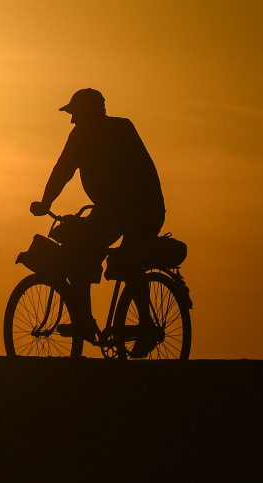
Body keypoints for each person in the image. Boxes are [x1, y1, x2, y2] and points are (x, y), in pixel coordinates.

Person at [30, 88, 166, 358]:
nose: (72, 121)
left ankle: (137, 325)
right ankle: (91, 321)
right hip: (127, 210)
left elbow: (63, 172)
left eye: (75, 114)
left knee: (113, 258)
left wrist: (46, 204)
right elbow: (63, 171)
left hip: (133, 210)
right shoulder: (101, 131)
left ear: (88, 113)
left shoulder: (101, 133)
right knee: (97, 256)